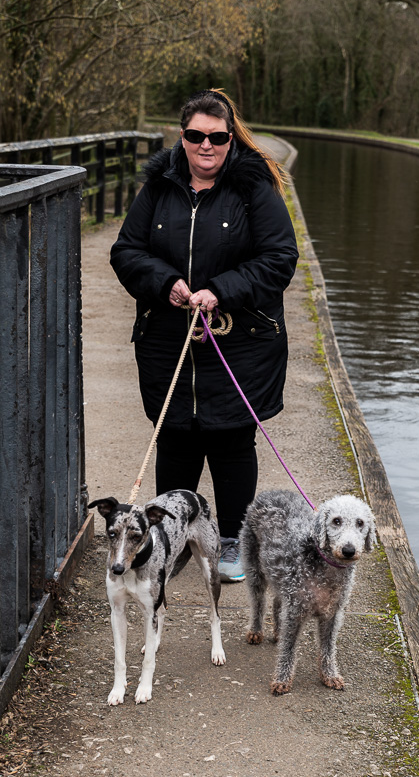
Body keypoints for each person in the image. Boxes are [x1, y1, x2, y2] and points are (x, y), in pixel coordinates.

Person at [110, 89, 298, 581]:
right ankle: (169, 539)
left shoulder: (256, 189)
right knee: (174, 436)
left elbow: (279, 260)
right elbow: (127, 251)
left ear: (230, 138)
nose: (206, 146)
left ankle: (233, 538)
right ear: (183, 137)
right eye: (196, 136)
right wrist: (166, 284)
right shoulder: (159, 189)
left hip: (240, 342)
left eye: (217, 137)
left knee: (233, 439)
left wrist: (220, 291)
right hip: (168, 343)